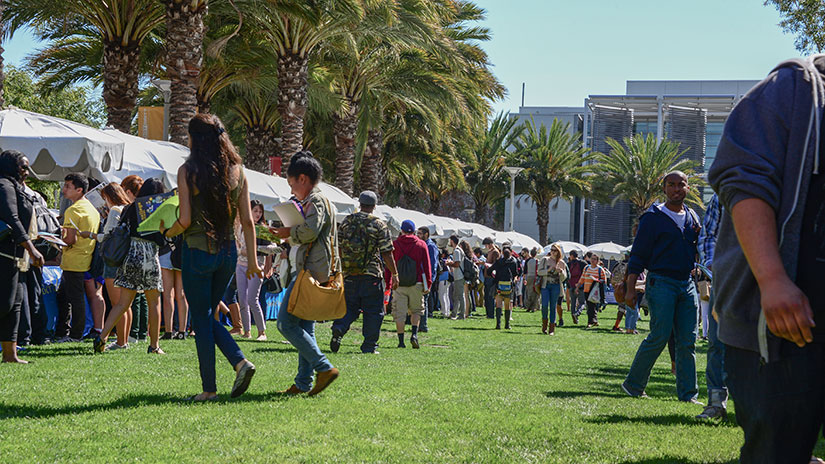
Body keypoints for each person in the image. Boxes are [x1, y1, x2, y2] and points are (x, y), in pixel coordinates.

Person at [707, 56, 825, 462]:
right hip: (779, 324)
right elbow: (744, 183)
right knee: (775, 452)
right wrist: (773, 280)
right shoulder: (792, 90)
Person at [160, 114, 259, 401]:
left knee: (201, 318)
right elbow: (248, 222)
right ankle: (236, 366)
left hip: (197, 252)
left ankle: (215, 384)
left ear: (194, 139)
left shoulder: (188, 170)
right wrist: (252, 262)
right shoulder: (238, 170)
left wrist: (169, 229)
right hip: (228, 253)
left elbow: (187, 219)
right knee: (206, 315)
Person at [622, 171, 701, 403]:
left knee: (688, 340)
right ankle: (633, 385)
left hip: (687, 285)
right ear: (664, 188)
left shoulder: (693, 217)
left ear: (688, 188)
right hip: (661, 282)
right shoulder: (652, 217)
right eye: (671, 185)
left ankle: (688, 395)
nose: (676, 189)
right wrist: (629, 289)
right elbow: (637, 256)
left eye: (681, 184)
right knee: (660, 335)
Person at [271, 150, 339, 395]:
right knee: (305, 326)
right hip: (311, 269)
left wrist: (288, 232)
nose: (292, 191)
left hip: (309, 272)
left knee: (285, 324)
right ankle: (303, 383)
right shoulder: (316, 200)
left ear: (303, 179)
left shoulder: (317, 201)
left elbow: (310, 231)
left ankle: (324, 367)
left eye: (292, 184)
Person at [94, 179, 167, 355]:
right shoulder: (159, 211)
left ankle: (102, 337)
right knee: (154, 303)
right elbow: (162, 240)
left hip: (131, 256)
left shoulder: (130, 208)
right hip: (149, 256)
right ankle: (154, 345)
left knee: (122, 303)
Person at [330, 191, 396, 354]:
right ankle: (369, 346)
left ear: (359, 204)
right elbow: (387, 252)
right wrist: (395, 274)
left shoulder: (346, 222)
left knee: (350, 307)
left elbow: (337, 246)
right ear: (374, 206)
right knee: (373, 311)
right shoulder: (379, 224)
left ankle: (339, 327)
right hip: (371, 274)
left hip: (349, 274)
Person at [0, 150, 44, 363]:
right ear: (10, 166)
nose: (27, 172)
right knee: (5, 304)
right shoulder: (4, 185)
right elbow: (12, 218)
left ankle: (10, 355)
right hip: (3, 253)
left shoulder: (14, 186)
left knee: (15, 304)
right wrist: (32, 249)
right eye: (23, 167)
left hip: (14, 256)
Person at [79, 183, 131, 349]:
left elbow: (107, 236)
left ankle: (121, 342)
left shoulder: (115, 210)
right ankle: (124, 340)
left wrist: (91, 235)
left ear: (109, 197)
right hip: (126, 260)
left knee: (118, 304)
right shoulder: (129, 208)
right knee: (125, 304)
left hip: (113, 261)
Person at [55, 173, 101, 343]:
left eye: (68, 186)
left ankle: (74, 335)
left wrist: (54, 240)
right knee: (66, 297)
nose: (64, 190)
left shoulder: (73, 210)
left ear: (79, 190)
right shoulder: (91, 208)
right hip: (84, 259)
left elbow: (69, 240)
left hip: (73, 261)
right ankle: (63, 331)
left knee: (75, 299)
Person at [694, 193, 727, 421]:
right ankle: (716, 404)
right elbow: (708, 235)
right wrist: (713, 264)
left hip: (769, 281)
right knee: (717, 343)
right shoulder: (723, 192)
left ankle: (761, 408)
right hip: (726, 279)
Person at [235, 199, 278, 341]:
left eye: (260, 211)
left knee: (253, 299)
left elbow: (274, 248)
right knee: (242, 300)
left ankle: (262, 332)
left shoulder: (263, 229)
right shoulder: (241, 227)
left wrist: (256, 250)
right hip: (240, 266)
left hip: (256, 267)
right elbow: (238, 247)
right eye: (255, 211)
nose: (258, 214)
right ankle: (247, 331)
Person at [391, 219, 432, 348]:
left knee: (399, 313)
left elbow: (389, 265)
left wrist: (389, 283)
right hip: (417, 282)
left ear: (401, 230)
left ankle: (401, 341)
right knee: (416, 310)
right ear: (414, 231)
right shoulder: (421, 244)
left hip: (399, 283)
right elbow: (427, 266)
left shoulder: (395, 244)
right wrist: (428, 283)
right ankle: (414, 335)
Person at [121, 175, 148, 343]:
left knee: (133, 296)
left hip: (134, 253)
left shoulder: (131, 208)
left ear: (129, 191)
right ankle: (142, 333)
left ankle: (132, 333)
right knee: (145, 295)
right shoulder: (149, 207)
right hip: (150, 253)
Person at [538, 244, 568, 335]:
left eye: (555, 250)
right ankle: (544, 326)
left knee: (553, 306)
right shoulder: (545, 260)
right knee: (544, 305)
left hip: (556, 286)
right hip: (545, 286)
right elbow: (539, 272)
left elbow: (564, 278)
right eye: (552, 250)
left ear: (558, 252)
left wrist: (561, 272)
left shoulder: (562, 263)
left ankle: (551, 329)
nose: (553, 252)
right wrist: (548, 270)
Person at [487, 244, 517, 330]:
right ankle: (507, 324)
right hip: (509, 286)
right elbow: (515, 274)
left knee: (498, 304)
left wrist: (494, 276)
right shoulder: (513, 262)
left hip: (498, 285)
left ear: (502, 253)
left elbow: (489, 271)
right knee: (507, 305)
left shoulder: (498, 261)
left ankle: (498, 324)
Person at [416, 226, 438, 332]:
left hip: (426, 277)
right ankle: (419, 324)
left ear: (426, 234)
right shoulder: (421, 245)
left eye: (420, 233)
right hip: (420, 276)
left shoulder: (430, 246)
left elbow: (433, 265)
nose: (418, 235)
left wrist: (430, 280)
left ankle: (423, 325)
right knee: (420, 301)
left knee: (424, 301)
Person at [579, 253, 607, 328]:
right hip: (586, 290)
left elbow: (604, 281)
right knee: (590, 306)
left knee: (593, 306)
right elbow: (582, 278)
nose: (593, 260)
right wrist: (578, 286)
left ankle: (591, 321)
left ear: (598, 261)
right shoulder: (586, 267)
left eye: (594, 259)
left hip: (595, 291)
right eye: (592, 259)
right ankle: (593, 321)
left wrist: (595, 279)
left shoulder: (600, 270)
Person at [445, 235, 466, 320]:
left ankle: (461, 314)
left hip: (459, 276)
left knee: (460, 296)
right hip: (459, 276)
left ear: (452, 241)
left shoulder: (457, 251)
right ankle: (454, 313)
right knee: (456, 295)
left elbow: (457, 264)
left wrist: (449, 263)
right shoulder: (459, 250)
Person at [610, 252, 630, 333]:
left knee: (623, 308)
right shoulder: (629, 265)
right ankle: (617, 326)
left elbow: (612, 276)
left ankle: (620, 325)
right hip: (625, 288)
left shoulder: (618, 265)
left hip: (617, 288)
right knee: (623, 308)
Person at [566, 250, 586, 324]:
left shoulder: (568, 264)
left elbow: (567, 276)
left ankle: (573, 315)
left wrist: (568, 285)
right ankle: (577, 313)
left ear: (571, 256)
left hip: (571, 285)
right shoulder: (583, 263)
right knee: (582, 302)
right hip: (580, 285)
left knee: (573, 302)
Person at [481, 237, 498, 319]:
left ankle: (491, 314)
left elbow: (496, 265)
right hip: (487, 276)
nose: (485, 247)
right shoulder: (490, 252)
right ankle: (488, 314)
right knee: (486, 296)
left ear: (490, 244)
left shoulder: (495, 252)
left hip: (491, 277)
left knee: (490, 296)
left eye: (486, 245)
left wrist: (485, 264)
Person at [523, 248, 540, 313]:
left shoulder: (527, 261)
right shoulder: (537, 261)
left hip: (529, 277)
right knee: (535, 292)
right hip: (535, 277)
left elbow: (525, 271)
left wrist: (524, 279)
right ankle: (534, 306)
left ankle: (528, 306)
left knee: (528, 292)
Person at [437, 249, 452, 318]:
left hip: (443, 279)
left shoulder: (442, 261)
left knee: (442, 295)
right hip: (447, 279)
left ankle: (444, 312)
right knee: (446, 295)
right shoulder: (448, 260)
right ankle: (447, 311)